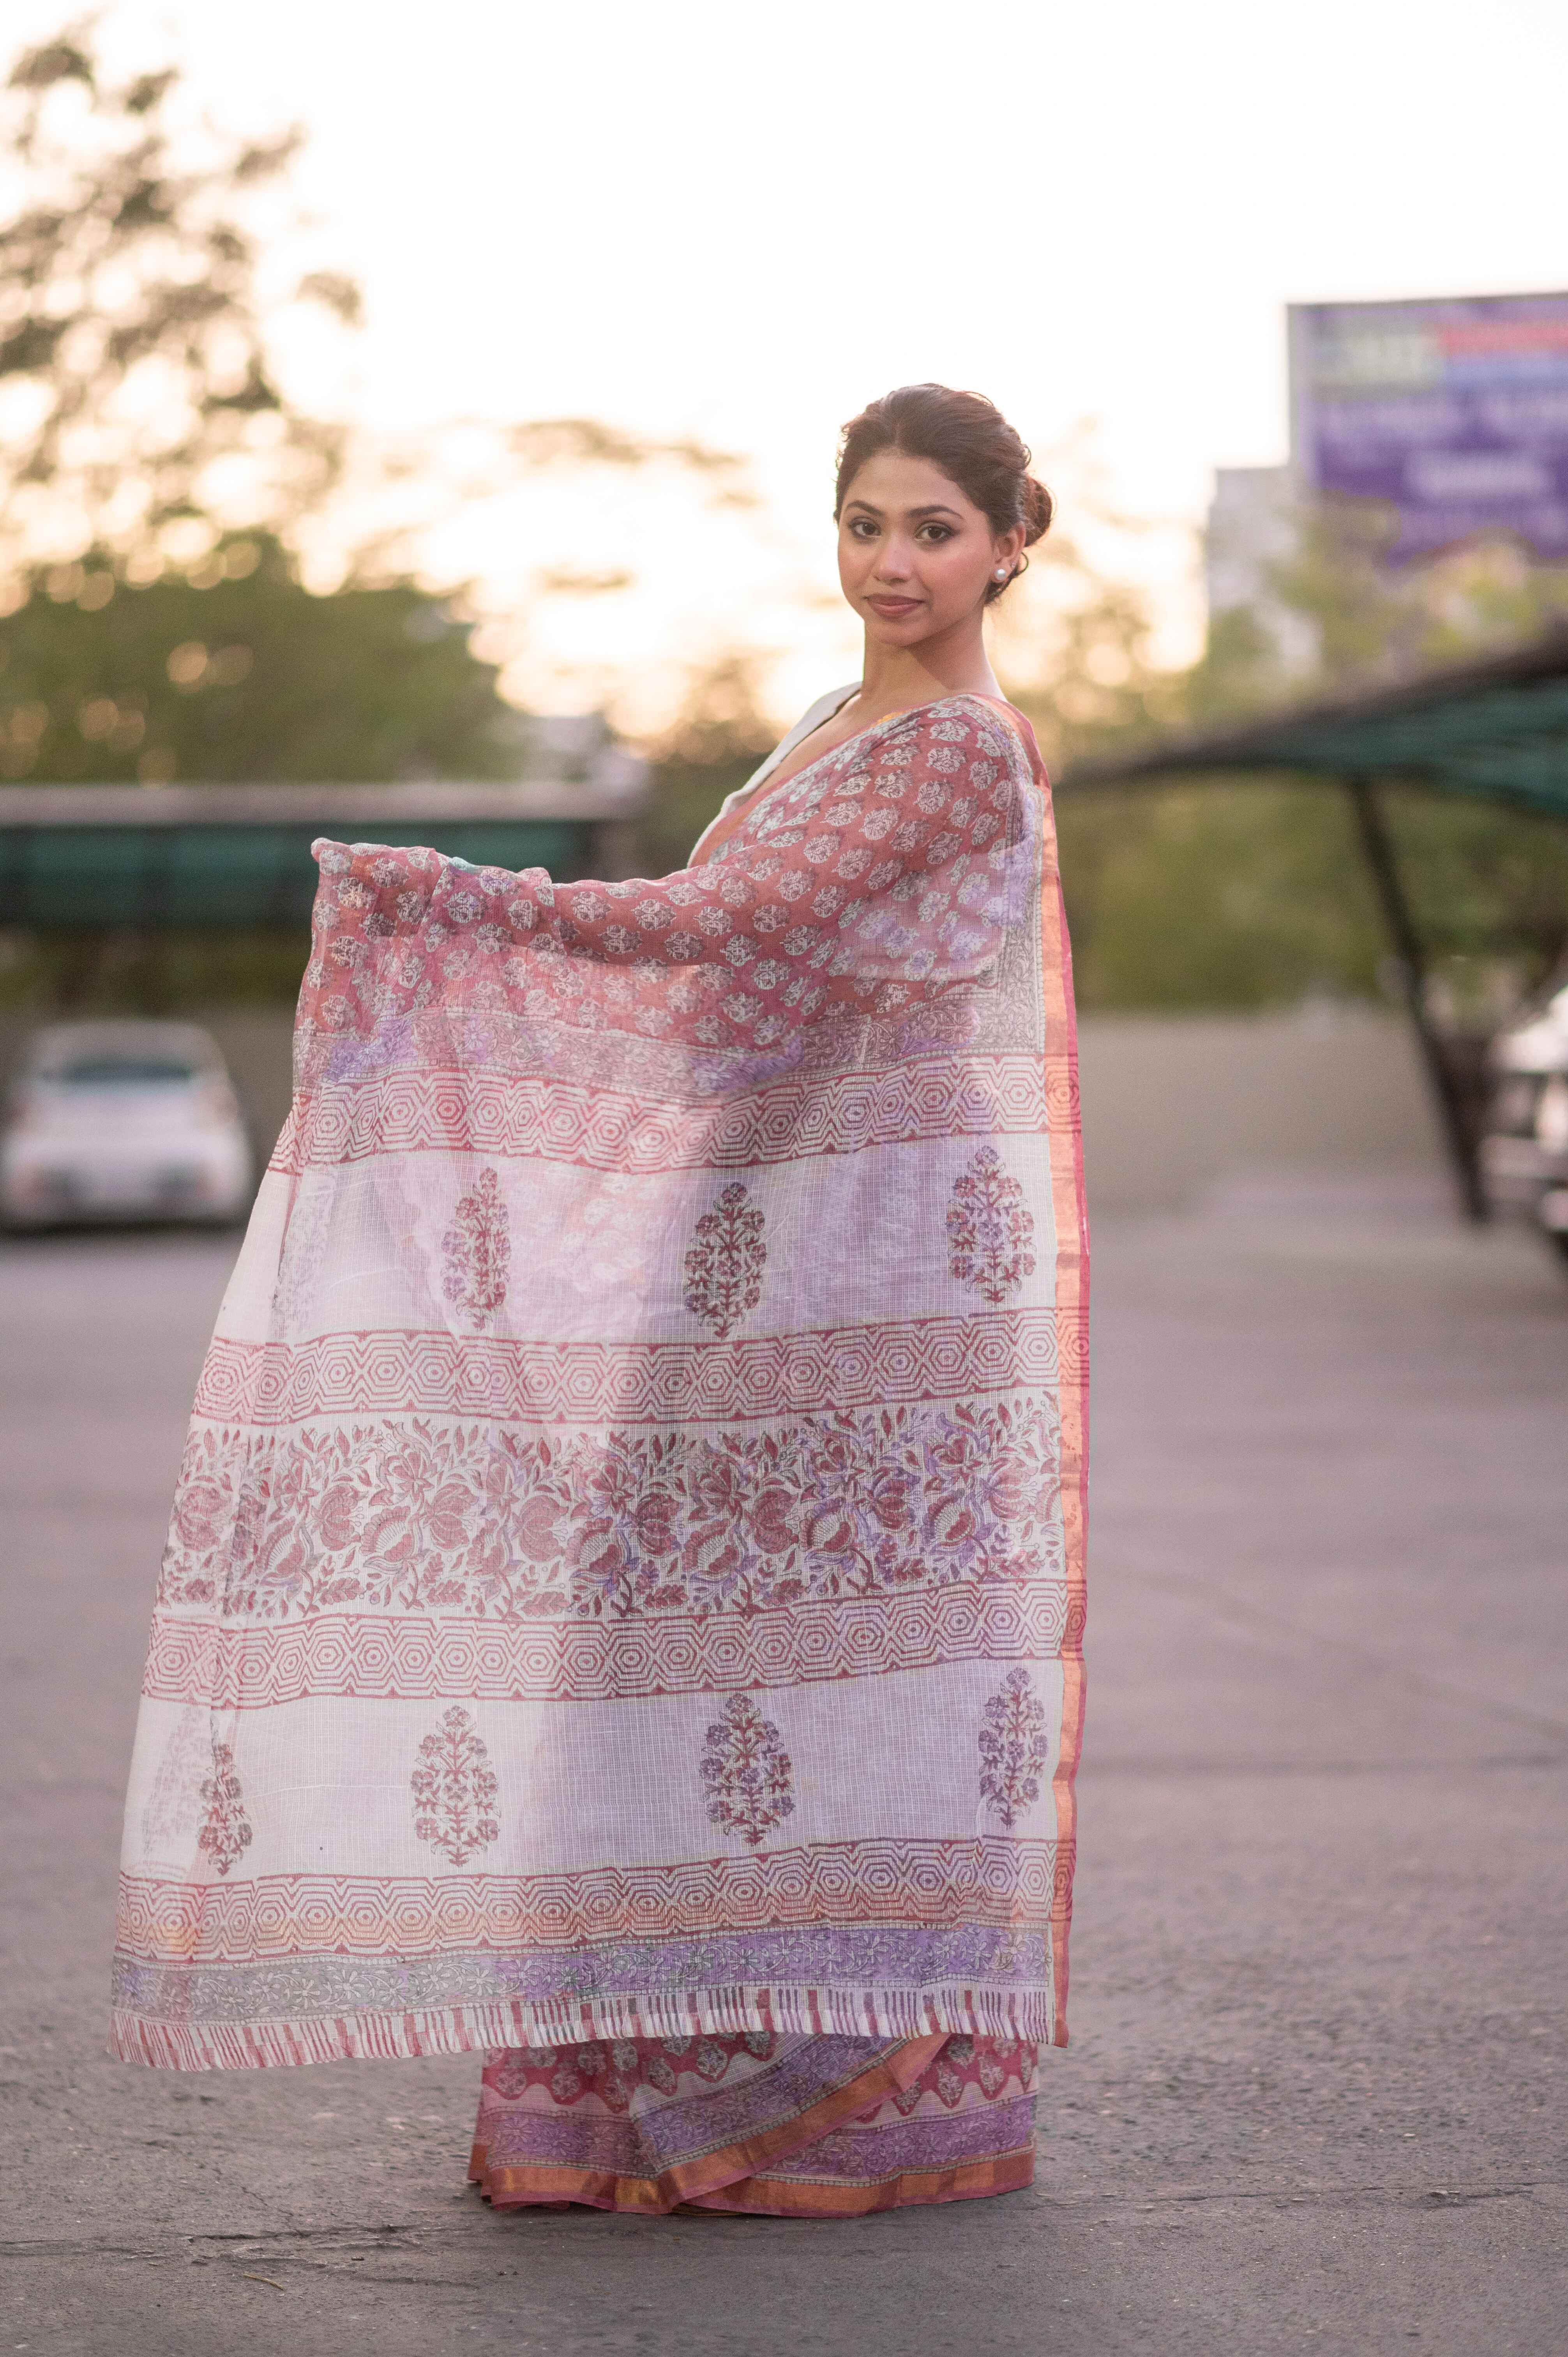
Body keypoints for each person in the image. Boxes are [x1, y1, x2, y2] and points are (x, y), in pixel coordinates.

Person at [113, 383, 1088, 2217]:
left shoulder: (960, 752)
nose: (892, 564)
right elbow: (720, 968)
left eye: (934, 531)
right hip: (747, 1224)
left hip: (867, 1251)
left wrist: (451, 900)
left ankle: (824, 2086)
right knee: (661, 1633)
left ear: (1008, 543)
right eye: (864, 524)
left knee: (822, 1645)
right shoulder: (828, 724)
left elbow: (711, 931)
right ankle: (657, 2060)